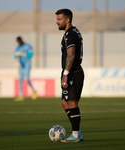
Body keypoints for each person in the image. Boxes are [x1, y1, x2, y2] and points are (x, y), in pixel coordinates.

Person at [55, 9, 84, 142]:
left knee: (72, 103)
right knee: (64, 103)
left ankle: (76, 135)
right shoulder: (73, 32)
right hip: (71, 71)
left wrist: (65, 74)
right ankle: (77, 131)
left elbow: (71, 55)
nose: (57, 22)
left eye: (59, 19)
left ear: (67, 20)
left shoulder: (70, 35)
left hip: (73, 72)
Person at [14, 36, 37, 101]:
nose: (19, 42)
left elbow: (31, 55)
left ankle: (34, 90)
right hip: (21, 66)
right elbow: (15, 55)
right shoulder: (17, 47)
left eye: (20, 41)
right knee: (20, 79)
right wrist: (16, 61)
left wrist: (23, 54)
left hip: (27, 65)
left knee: (27, 79)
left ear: (21, 40)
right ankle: (21, 95)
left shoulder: (28, 46)